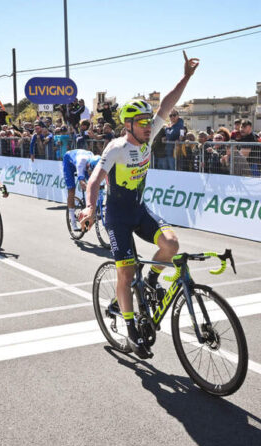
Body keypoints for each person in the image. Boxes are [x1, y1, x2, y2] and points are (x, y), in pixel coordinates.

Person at [79, 53, 199, 359]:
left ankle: (151, 280)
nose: (150, 126)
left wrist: (185, 77)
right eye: (143, 122)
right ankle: (131, 330)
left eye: (150, 122)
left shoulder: (147, 138)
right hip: (117, 216)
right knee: (126, 271)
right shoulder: (116, 148)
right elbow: (94, 181)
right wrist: (91, 208)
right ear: (129, 125)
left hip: (139, 209)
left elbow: (167, 105)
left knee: (171, 244)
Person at [61, 149, 99, 232]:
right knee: (71, 190)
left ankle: (87, 210)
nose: (91, 173)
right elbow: (81, 182)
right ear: (88, 166)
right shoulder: (81, 163)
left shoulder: (95, 160)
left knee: (93, 184)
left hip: (85, 163)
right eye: (91, 171)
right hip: (69, 162)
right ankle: (73, 221)